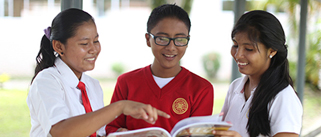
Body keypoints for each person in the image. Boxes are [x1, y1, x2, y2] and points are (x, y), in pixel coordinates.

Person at [26, 8, 170, 137]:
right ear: (58, 46)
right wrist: (120, 107)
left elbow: (96, 131)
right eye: (84, 44)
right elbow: (61, 131)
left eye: (96, 41)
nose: (94, 49)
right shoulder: (46, 81)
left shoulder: (92, 85)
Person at [105, 4, 214, 135]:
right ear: (148, 39)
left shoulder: (202, 89)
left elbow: (200, 133)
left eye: (180, 39)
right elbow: (111, 128)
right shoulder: (126, 82)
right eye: (162, 38)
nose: (171, 47)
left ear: (188, 40)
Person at [213, 10, 303, 137]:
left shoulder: (283, 97)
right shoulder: (236, 87)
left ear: (271, 51)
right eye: (235, 45)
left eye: (249, 49)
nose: (238, 55)